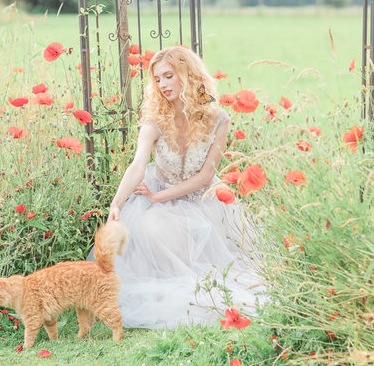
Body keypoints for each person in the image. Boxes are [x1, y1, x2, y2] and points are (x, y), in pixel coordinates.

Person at [101, 45, 265, 329]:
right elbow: (137, 165)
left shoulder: (217, 119)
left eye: (168, 76)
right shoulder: (155, 120)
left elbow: (204, 177)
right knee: (150, 223)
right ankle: (178, 286)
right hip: (161, 193)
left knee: (208, 233)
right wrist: (116, 203)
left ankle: (205, 288)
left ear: (187, 75)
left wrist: (157, 196)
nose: (163, 85)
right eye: (157, 79)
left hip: (204, 199)